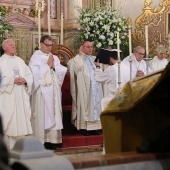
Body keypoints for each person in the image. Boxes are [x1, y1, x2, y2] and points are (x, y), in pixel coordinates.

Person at [29, 35, 67, 150]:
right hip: (42, 93)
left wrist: (54, 65)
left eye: (51, 45)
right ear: (41, 44)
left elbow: (61, 70)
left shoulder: (54, 57)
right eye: (47, 45)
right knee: (43, 115)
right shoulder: (35, 57)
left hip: (54, 91)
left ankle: (51, 140)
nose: (49, 48)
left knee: (54, 114)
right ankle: (41, 141)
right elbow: (34, 75)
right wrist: (48, 66)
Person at [0, 38, 33, 149]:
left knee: (21, 123)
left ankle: (21, 149)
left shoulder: (20, 61)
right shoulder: (1, 61)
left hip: (21, 96)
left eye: (14, 45)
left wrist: (25, 80)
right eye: (11, 45)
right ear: (4, 47)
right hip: (8, 97)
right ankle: (7, 150)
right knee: (10, 125)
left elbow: (29, 75)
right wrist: (12, 80)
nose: (14, 46)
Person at [67, 41, 103, 136]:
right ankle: (85, 127)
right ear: (82, 47)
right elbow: (72, 66)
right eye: (88, 47)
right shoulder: (77, 59)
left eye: (91, 47)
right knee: (85, 106)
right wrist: (78, 56)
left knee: (95, 106)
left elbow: (101, 71)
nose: (90, 49)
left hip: (95, 88)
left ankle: (95, 127)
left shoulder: (95, 59)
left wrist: (99, 66)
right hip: (84, 89)